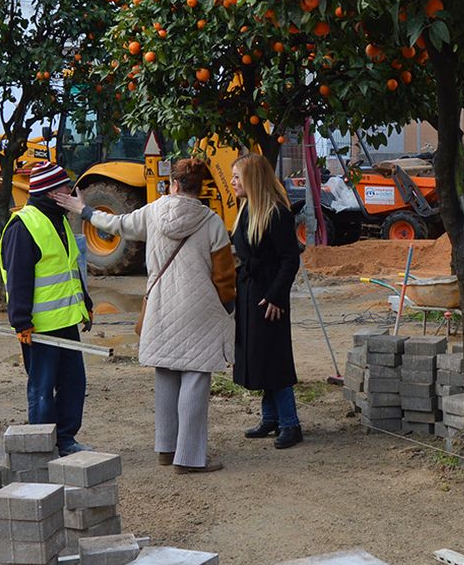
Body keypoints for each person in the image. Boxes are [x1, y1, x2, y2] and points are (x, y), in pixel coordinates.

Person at [57, 158, 235, 473]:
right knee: (195, 376)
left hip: (161, 306)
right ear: (201, 186)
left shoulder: (152, 213)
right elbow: (224, 276)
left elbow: (116, 225)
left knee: (166, 373)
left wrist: (83, 210)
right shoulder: (213, 222)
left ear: (173, 184)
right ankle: (190, 458)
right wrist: (226, 306)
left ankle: (166, 449)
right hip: (200, 308)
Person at [0, 161, 93, 456]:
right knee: (42, 389)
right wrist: (21, 321)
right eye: (67, 187)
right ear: (53, 193)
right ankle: (41, 447)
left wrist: (85, 305)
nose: (72, 191)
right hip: (38, 328)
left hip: (65, 321)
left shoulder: (59, 221)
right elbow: (18, 278)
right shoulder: (24, 226)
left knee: (73, 383)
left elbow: (70, 269)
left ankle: (65, 440)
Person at [230, 153, 304, 449]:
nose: (233, 182)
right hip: (249, 292)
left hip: (269, 295)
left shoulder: (277, 212)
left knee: (274, 359)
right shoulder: (247, 208)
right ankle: (271, 417)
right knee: (259, 357)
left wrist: (276, 296)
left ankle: (290, 423)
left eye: (237, 176)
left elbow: (290, 260)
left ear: (253, 179)